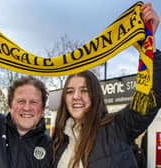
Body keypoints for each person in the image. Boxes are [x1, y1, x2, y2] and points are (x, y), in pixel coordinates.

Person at [52, 2, 161, 168]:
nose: (76, 96)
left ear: (95, 96)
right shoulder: (59, 141)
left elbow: (148, 98)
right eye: (70, 91)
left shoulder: (117, 127)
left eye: (84, 90)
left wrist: (149, 47)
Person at [0, 76, 53, 168]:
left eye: (33, 102)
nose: (27, 108)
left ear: (42, 109)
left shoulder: (50, 146)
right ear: (10, 106)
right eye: (21, 101)